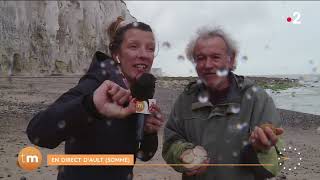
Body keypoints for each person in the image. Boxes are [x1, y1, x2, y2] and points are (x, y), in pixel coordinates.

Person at [27, 16, 164, 180]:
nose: (144, 55)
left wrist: (149, 132)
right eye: (134, 46)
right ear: (116, 54)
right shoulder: (95, 85)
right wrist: (90, 105)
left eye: (150, 48)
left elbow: (144, 154)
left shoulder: (142, 91)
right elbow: (37, 132)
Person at [162, 26, 285, 180]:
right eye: (200, 58)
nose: (207, 65)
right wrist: (184, 154)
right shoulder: (185, 99)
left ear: (231, 59)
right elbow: (171, 141)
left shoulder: (257, 99)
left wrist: (260, 149)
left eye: (215, 57)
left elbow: (276, 163)